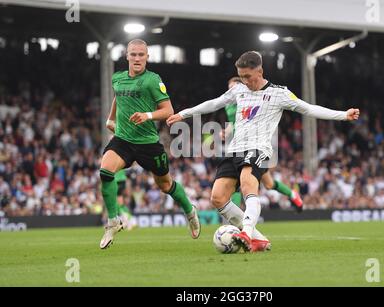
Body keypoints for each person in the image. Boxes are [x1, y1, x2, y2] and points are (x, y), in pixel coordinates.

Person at [167, 51, 359, 251]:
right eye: (241, 76)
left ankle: (246, 233)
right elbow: (214, 103)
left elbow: (308, 108)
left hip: (258, 148)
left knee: (248, 185)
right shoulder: (238, 90)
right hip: (235, 150)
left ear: (260, 71)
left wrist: (343, 115)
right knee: (217, 197)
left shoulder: (279, 93)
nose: (245, 81)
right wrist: (183, 114)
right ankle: (258, 239)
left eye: (248, 76)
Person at [99, 39, 200, 249]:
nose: (137, 58)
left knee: (165, 185)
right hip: (124, 140)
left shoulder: (153, 80)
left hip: (148, 144)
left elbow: (168, 110)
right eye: (133, 54)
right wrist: (111, 118)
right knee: (105, 171)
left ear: (147, 57)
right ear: (126, 55)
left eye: (141, 55)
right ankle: (113, 221)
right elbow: (118, 97)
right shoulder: (117, 78)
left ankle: (190, 211)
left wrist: (147, 115)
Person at [224, 77, 303, 211]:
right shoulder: (228, 104)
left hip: (254, 146)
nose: (232, 89)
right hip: (239, 146)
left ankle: (235, 222)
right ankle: (292, 194)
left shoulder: (247, 99)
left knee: (239, 181)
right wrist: (226, 131)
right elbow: (234, 123)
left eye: (234, 86)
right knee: (269, 184)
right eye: (229, 87)